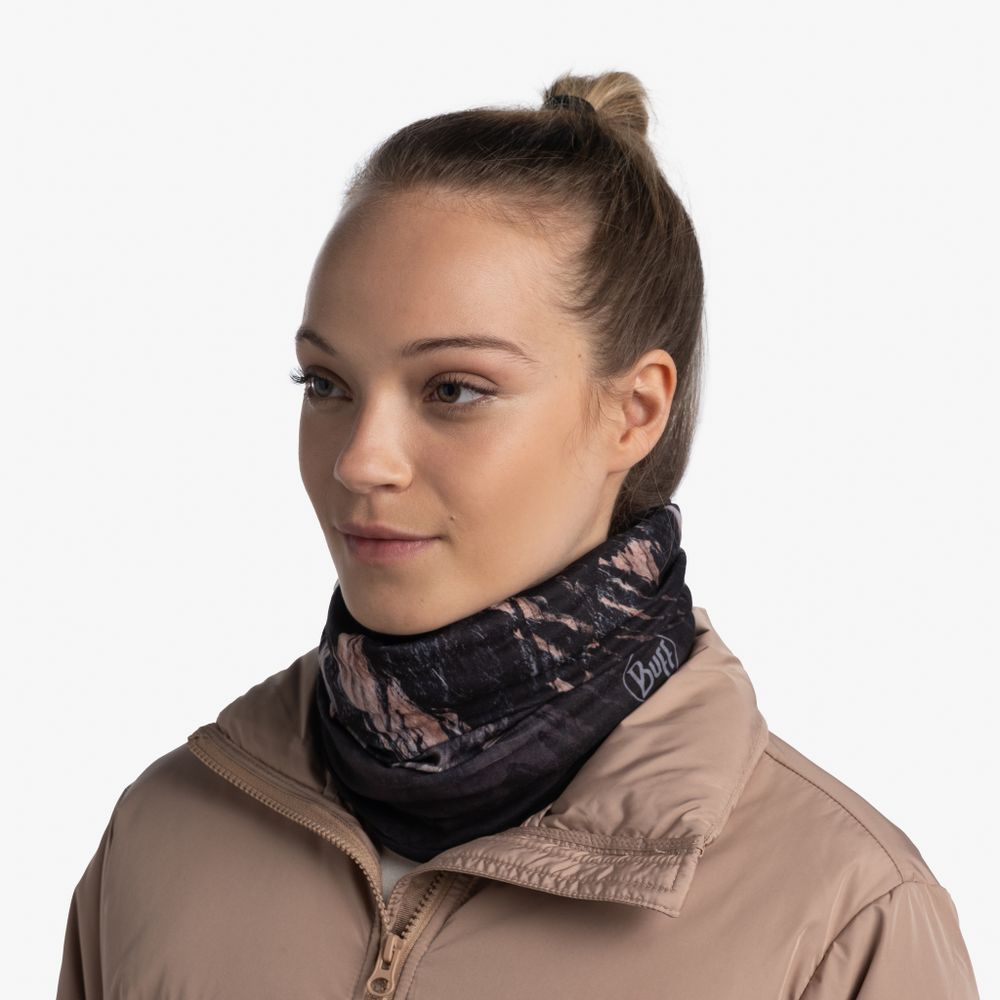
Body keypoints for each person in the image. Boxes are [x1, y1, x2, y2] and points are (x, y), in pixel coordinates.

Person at [56, 70, 980, 999]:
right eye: (326, 384)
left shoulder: (841, 920)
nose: (360, 461)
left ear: (634, 411)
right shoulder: (164, 837)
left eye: (454, 389)